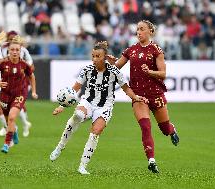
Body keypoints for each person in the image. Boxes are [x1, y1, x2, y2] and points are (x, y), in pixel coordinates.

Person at [49, 41, 147, 175]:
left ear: (105, 57)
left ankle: (82, 166)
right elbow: (74, 89)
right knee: (77, 115)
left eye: (98, 56)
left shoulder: (114, 71)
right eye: (93, 56)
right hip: (88, 102)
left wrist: (135, 97)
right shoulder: (87, 70)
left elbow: (126, 88)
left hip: (105, 106)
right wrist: (62, 106)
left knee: (96, 131)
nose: (94, 59)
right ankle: (60, 147)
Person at [107, 20, 180, 173]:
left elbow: (163, 74)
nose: (138, 32)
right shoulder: (131, 50)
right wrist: (110, 63)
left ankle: (172, 130)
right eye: (137, 29)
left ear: (150, 32)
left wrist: (150, 72)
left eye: (142, 29)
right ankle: (151, 160)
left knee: (164, 129)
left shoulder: (156, 50)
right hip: (138, 96)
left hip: (156, 94)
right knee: (145, 127)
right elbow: (116, 68)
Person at [0, 35, 38, 153]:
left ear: (20, 51)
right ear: (8, 50)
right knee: (8, 121)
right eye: (12, 50)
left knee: (11, 117)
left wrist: (34, 91)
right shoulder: (2, 63)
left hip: (20, 94)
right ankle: (14, 131)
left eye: (17, 50)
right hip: (5, 95)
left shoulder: (24, 64)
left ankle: (6, 144)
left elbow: (31, 76)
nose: (15, 52)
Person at [0, 30, 34, 137]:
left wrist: (22, 67)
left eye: (14, 37)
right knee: (9, 105)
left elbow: (31, 65)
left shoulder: (23, 51)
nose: (12, 39)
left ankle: (11, 127)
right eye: (10, 37)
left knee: (15, 104)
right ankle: (23, 124)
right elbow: (1, 63)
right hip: (7, 81)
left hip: (22, 81)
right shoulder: (4, 49)